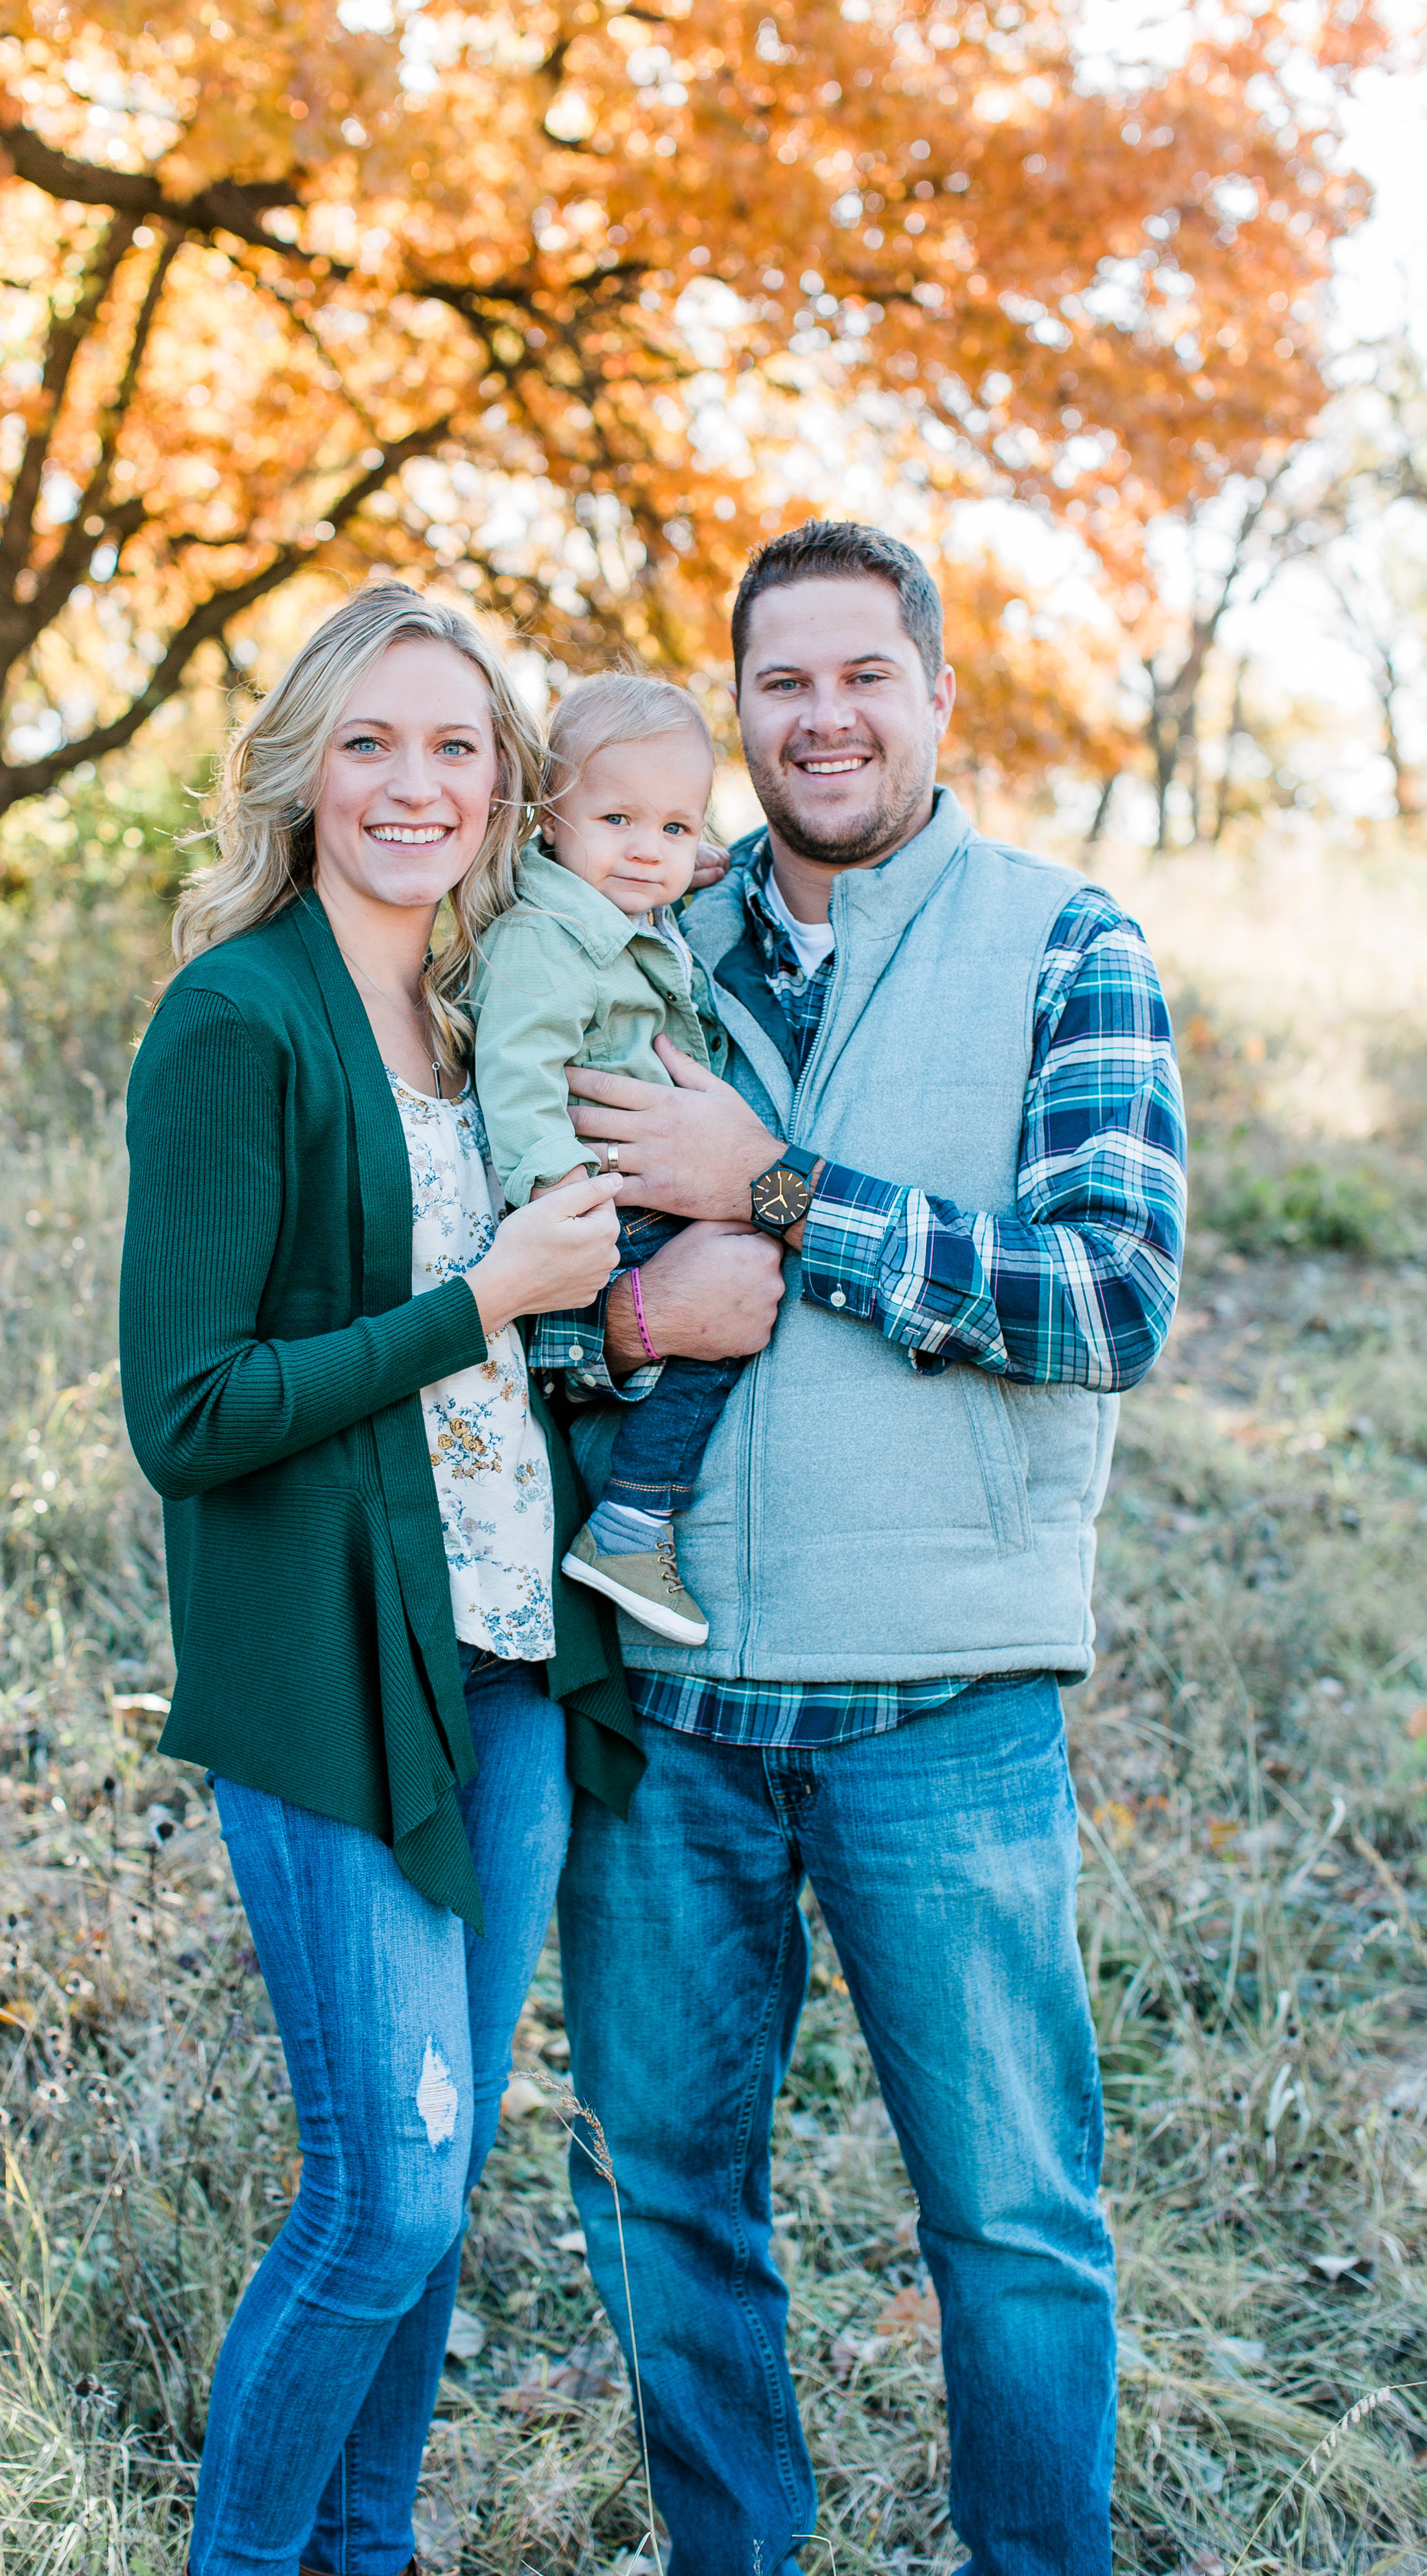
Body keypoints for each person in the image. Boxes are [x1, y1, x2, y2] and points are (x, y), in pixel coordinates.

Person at [538, 521, 1188, 2575]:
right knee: (659, 2198)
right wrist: (633, 1319)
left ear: (932, 697)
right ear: (738, 711)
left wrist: (790, 1193)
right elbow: (529, 1263)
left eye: (861, 676)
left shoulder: (1061, 939)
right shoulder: (631, 931)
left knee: (1008, 2216)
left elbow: (1107, 1298)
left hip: (944, 1704)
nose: (821, 717)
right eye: (781, 683)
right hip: (668, 1700)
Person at [118, 583, 644, 2575]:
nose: (413, 783)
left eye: (452, 744)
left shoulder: (488, 1006)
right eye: (369, 741)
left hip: (504, 1655)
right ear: (302, 770)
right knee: (387, 2190)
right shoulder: (238, 1014)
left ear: (504, 782)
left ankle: (367, 2547)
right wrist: (473, 1301)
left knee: (444, 2160)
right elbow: (189, 1404)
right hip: (335, 1675)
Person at [471, 672, 743, 1648]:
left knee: (745, 1272)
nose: (647, 846)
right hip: (599, 1202)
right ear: (550, 816)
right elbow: (517, 1063)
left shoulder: (622, 903)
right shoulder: (551, 935)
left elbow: (662, 857)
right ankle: (633, 1520)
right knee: (738, 1286)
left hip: (636, 1185)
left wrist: (679, 860)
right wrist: (558, 1191)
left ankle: (633, 1514)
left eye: (675, 827)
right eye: (618, 816)